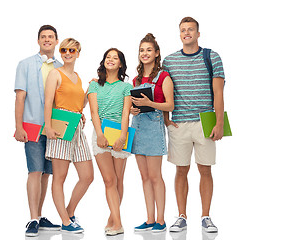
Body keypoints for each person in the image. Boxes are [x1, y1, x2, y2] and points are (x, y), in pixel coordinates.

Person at [162, 17, 225, 233]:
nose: (186, 33)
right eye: (183, 30)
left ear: (198, 34)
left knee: (205, 169)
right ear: (179, 34)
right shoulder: (169, 62)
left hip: (204, 122)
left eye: (190, 30)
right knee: (181, 170)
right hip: (179, 123)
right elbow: (163, 93)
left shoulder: (212, 57)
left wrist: (219, 123)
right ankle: (181, 216)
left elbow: (218, 93)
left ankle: (206, 216)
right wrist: (165, 119)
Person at [14, 25, 62, 237]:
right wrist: (18, 126)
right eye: (43, 37)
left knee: (47, 174)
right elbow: (20, 97)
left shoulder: (61, 67)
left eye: (50, 36)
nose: (47, 40)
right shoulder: (24, 65)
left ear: (56, 40)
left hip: (55, 129)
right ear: (38, 41)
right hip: (32, 125)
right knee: (34, 170)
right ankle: (32, 218)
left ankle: (40, 215)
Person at [44, 38, 94, 234]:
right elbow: (48, 102)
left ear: (78, 53)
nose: (67, 53)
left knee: (87, 176)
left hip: (77, 128)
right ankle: (65, 222)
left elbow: (79, 104)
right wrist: (48, 127)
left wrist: (89, 91)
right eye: (64, 49)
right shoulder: (55, 74)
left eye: (71, 50)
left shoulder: (78, 77)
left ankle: (69, 213)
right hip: (59, 127)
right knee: (60, 177)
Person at [130, 33, 174, 233]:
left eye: (149, 50)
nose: (145, 53)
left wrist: (149, 103)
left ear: (156, 53)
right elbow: (132, 104)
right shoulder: (136, 79)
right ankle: (149, 219)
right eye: (142, 50)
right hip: (138, 127)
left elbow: (170, 104)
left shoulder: (163, 76)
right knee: (144, 176)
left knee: (156, 176)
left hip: (154, 128)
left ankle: (161, 220)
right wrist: (133, 108)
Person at [87, 48, 133, 236]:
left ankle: (113, 219)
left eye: (115, 58)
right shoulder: (95, 85)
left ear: (120, 64)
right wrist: (99, 134)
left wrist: (122, 136)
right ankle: (119, 223)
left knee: (118, 179)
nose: (111, 60)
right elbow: (94, 112)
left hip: (120, 134)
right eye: (108, 57)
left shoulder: (125, 87)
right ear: (103, 61)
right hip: (101, 134)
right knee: (109, 179)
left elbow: (125, 113)